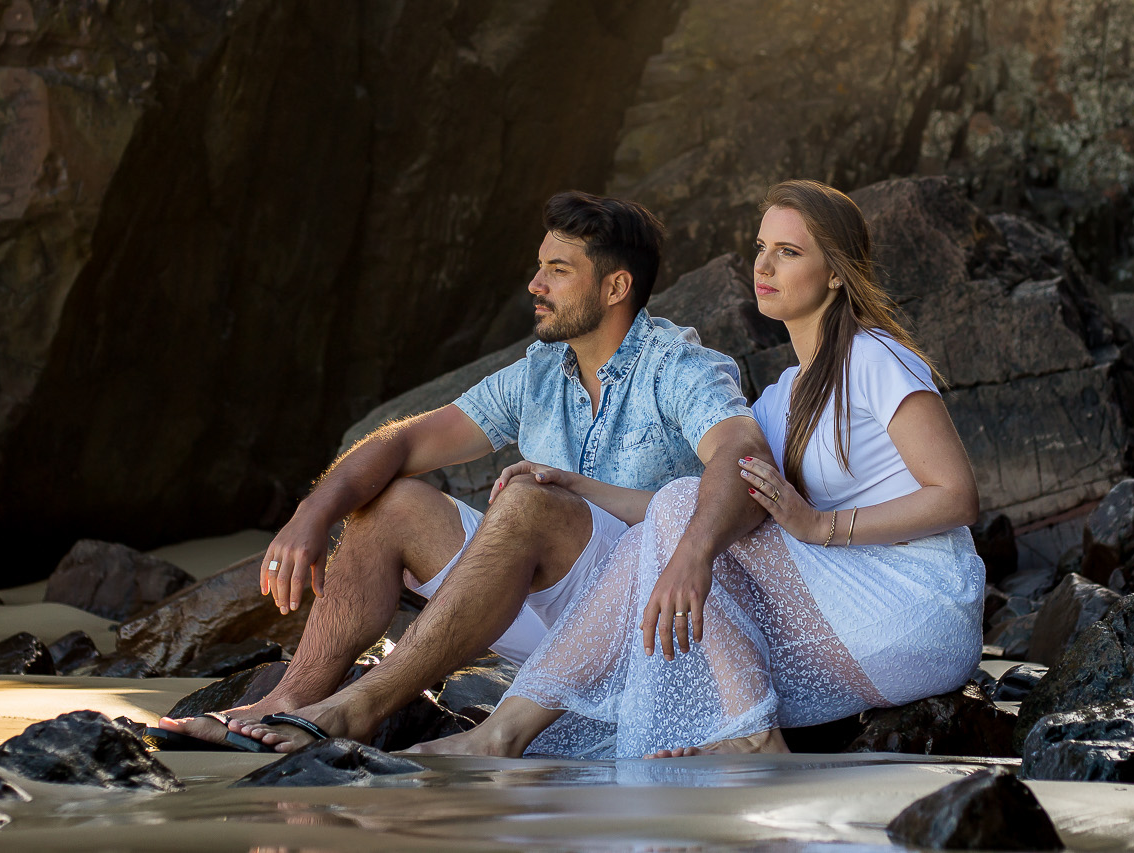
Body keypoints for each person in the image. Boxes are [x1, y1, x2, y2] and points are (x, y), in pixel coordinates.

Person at [155, 190, 769, 752]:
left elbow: (741, 455)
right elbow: (404, 440)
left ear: (615, 287)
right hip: (550, 621)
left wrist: (693, 554)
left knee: (528, 499)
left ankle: (356, 709)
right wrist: (311, 514)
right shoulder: (540, 371)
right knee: (392, 505)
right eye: (540, 266)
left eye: (558, 271)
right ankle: (288, 699)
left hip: (647, 621)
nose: (535, 284)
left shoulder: (678, 366)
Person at [414, 179, 987, 759]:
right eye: (761, 248)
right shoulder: (780, 399)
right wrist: (578, 486)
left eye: (789, 252)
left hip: (918, 609)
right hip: (850, 623)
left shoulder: (873, 355)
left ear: (836, 272)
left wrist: (819, 526)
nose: (764, 266)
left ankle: (750, 733)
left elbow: (957, 496)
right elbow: (672, 511)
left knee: (689, 510)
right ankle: (506, 731)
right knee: (667, 524)